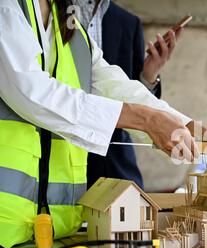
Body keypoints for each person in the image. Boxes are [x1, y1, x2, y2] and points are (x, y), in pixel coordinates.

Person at [0, 0, 207, 248]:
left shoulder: (69, 25)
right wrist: (145, 119)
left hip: (47, 232)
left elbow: (118, 87)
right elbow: (31, 91)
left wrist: (206, 135)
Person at [73, 0, 180, 188]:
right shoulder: (55, 12)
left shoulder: (128, 23)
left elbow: (131, 94)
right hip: (63, 156)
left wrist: (149, 75)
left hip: (115, 164)